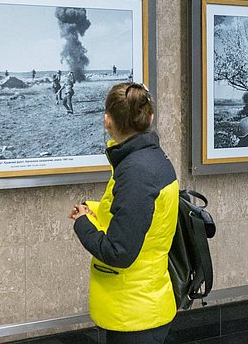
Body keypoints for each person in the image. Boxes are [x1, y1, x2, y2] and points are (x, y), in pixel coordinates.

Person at [69, 83, 179, 344]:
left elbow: (119, 252)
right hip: (143, 304)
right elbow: (137, 215)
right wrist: (93, 210)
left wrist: (82, 223)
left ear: (107, 121)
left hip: (135, 314)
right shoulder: (150, 159)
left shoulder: (136, 172)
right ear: (149, 117)